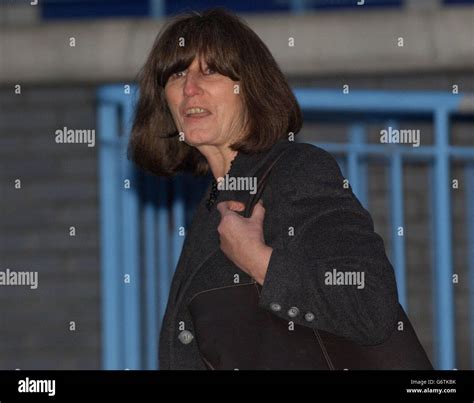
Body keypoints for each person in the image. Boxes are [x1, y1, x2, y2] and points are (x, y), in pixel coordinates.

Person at [128, 7, 399, 370]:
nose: (190, 88)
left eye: (210, 71)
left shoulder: (296, 171)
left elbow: (370, 302)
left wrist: (260, 262)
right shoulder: (214, 202)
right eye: (177, 73)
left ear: (250, 88)